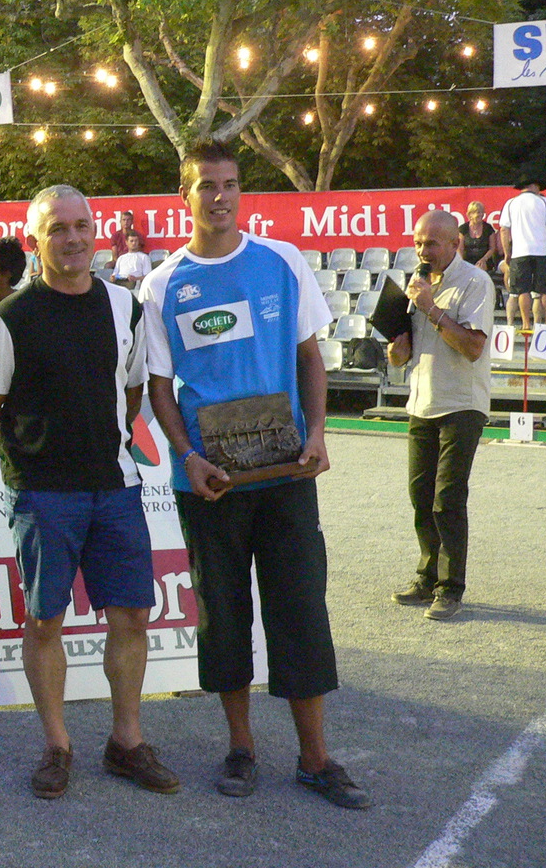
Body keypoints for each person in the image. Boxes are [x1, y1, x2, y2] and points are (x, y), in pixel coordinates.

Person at [141, 139, 369, 810]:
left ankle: (315, 758)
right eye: (206, 185)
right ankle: (240, 748)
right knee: (224, 618)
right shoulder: (162, 285)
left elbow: (310, 357)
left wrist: (318, 433)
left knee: (300, 613)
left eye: (230, 184)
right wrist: (188, 456)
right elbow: (160, 388)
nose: (220, 197)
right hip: (210, 486)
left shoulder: (282, 261)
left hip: (286, 479)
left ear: (242, 191)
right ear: (184, 196)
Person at [0, 185, 178, 801]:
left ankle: (126, 742)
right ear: (35, 240)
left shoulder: (124, 306)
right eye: (58, 228)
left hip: (116, 486)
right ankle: (57, 746)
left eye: (82, 225)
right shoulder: (10, 317)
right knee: (45, 620)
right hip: (44, 495)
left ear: (96, 231)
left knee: (132, 615)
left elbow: (133, 392)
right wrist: (31, 467)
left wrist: (100, 444)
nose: (73, 238)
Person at [386, 211, 494, 622]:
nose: (422, 251)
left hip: (461, 403)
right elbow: (403, 356)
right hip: (421, 402)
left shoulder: (475, 282)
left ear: (455, 243)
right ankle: (427, 576)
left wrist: (431, 308)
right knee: (420, 496)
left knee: (447, 499)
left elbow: (472, 347)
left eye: (430, 243)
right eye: (417, 243)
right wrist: (397, 350)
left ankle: (450, 588)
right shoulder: (416, 285)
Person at [498, 177, 546, 329]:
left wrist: (507, 252)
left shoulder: (511, 203)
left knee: (522, 290)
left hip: (519, 252)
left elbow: (504, 230)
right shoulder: (544, 202)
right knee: (545, 290)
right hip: (541, 251)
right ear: (534, 186)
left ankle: (526, 324)